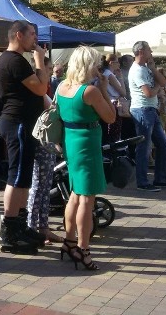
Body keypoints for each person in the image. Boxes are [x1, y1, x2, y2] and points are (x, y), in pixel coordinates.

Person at [56, 46, 116, 271]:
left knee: (74, 195)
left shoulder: (62, 87)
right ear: (89, 65)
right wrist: (105, 89)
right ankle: (83, 249)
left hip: (70, 142)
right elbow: (110, 117)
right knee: (86, 199)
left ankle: (69, 241)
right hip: (88, 143)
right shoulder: (89, 92)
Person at [0, 21, 49, 253]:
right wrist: (39, 61)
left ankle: (20, 224)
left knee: (23, 176)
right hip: (17, 122)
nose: (35, 39)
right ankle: (9, 231)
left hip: (22, 123)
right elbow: (40, 88)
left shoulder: (12, 59)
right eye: (32, 34)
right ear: (19, 35)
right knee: (16, 176)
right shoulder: (14, 60)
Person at [128, 41, 166, 193]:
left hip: (150, 110)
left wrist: (154, 69)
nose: (152, 53)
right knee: (144, 147)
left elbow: (164, 81)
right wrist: (157, 87)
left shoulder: (146, 68)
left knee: (164, 144)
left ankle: (160, 179)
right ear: (142, 52)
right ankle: (142, 182)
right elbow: (149, 93)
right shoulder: (137, 70)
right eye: (149, 50)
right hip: (142, 109)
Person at [27, 57, 63, 245]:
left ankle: (43, 227)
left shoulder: (45, 89)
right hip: (39, 142)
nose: (50, 72)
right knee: (38, 186)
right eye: (48, 69)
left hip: (47, 143)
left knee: (44, 186)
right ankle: (33, 228)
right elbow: (52, 109)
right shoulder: (37, 90)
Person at [101, 53, 127, 145]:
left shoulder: (106, 74)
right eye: (117, 62)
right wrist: (121, 78)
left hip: (109, 102)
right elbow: (123, 92)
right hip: (114, 103)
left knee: (110, 130)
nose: (119, 64)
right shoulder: (110, 75)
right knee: (114, 131)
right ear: (111, 63)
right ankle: (113, 153)